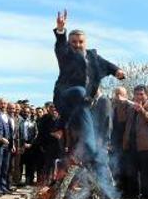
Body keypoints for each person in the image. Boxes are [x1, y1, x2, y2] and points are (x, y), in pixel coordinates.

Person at [52, 9, 125, 168]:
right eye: (74, 42)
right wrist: (60, 31)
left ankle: (74, 170)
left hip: (83, 105)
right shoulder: (66, 54)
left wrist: (117, 71)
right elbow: (60, 46)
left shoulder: (93, 57)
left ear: (85, 42)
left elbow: (107, 64)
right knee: (79, 91)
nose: (77, 45)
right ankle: (61, 126)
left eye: (80, 42)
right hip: (66, 97)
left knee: (91, 147)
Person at [122, 85, 148, 199]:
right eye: (137, 94)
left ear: (146, 95)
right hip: (132, 144)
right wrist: (125, 142)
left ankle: (145, 196)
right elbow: (127, 126)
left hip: (146, 145)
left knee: (145, 173)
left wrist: (142, 110)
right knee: (133, 171)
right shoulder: (131, 109)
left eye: (141, 94)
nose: (139, 96)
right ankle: (135, 194)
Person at [0, 98, 14, 194]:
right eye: (1, 103)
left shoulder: (7, 116)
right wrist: (1, 138)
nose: (3, 105)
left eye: (5, 104)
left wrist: (12, 144)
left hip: (8, 146)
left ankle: (3, 186)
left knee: (5, 167)